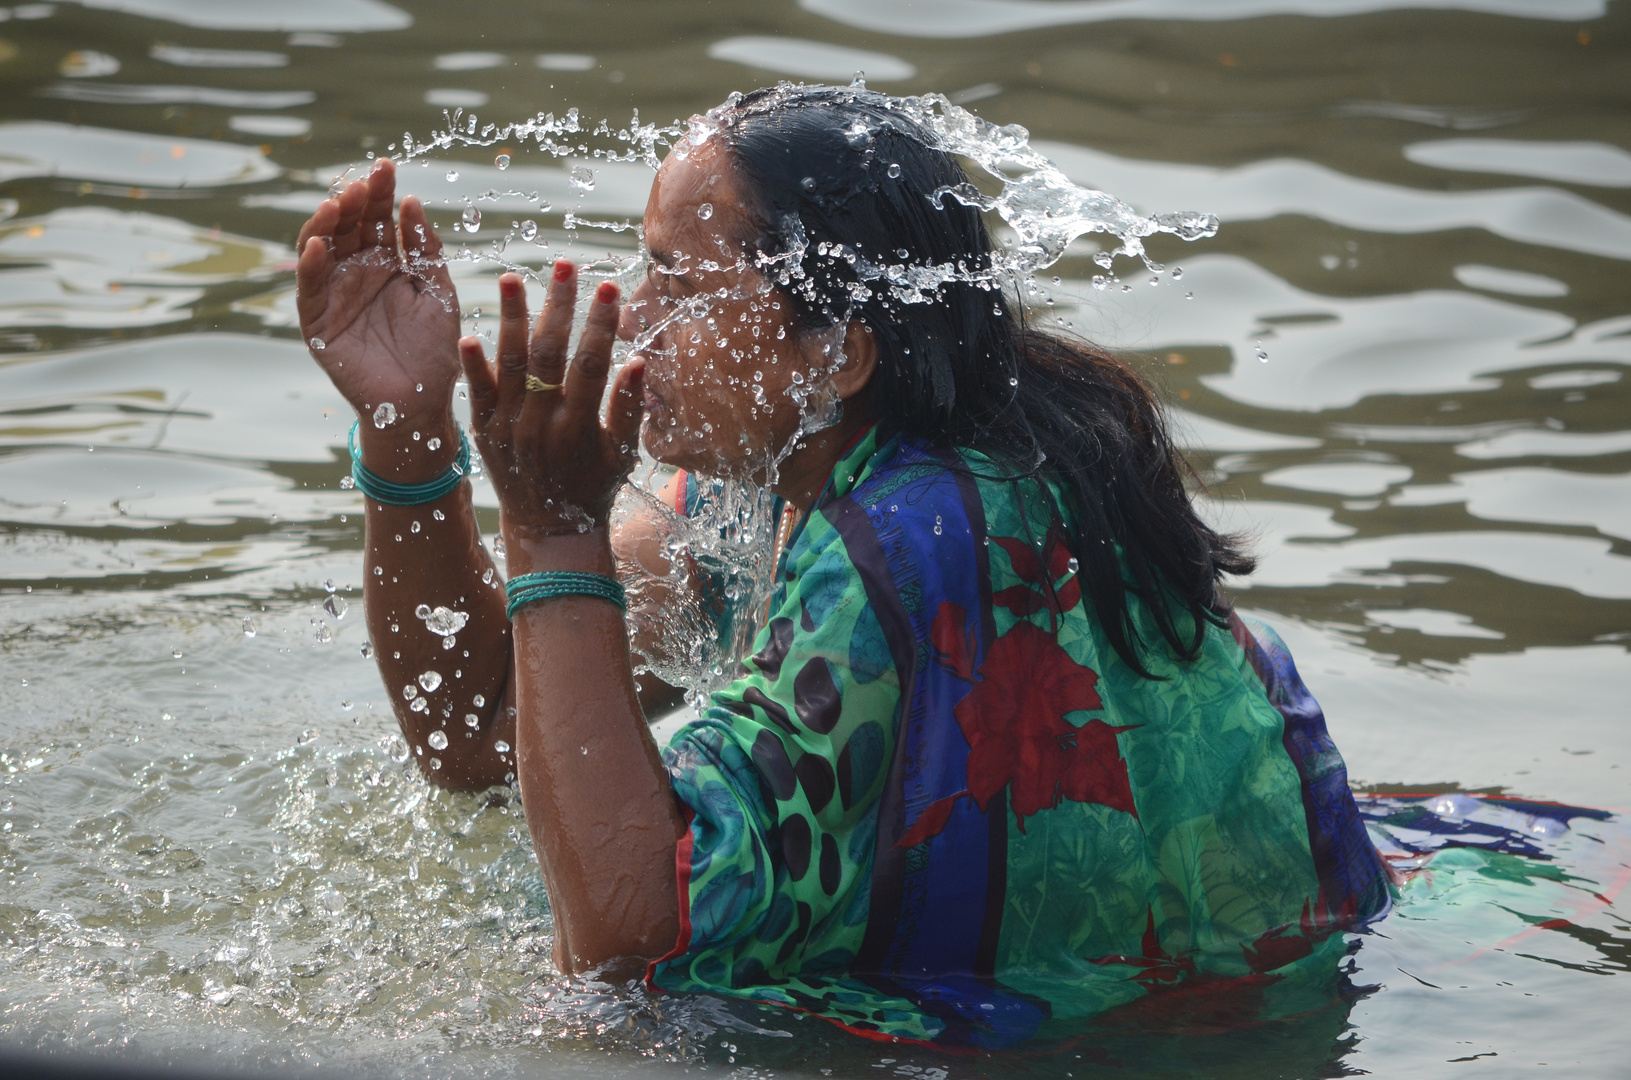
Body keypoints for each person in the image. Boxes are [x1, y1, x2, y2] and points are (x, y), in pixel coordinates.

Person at [294, 84, 1392, 1047]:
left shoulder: (927, 532)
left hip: (1170, 1036)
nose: (637, 321)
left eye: (679, 285)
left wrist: (552, 531)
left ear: (836, 351)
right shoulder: (766, 489)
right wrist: (407, 436)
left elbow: (629, 947)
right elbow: (484, 733)